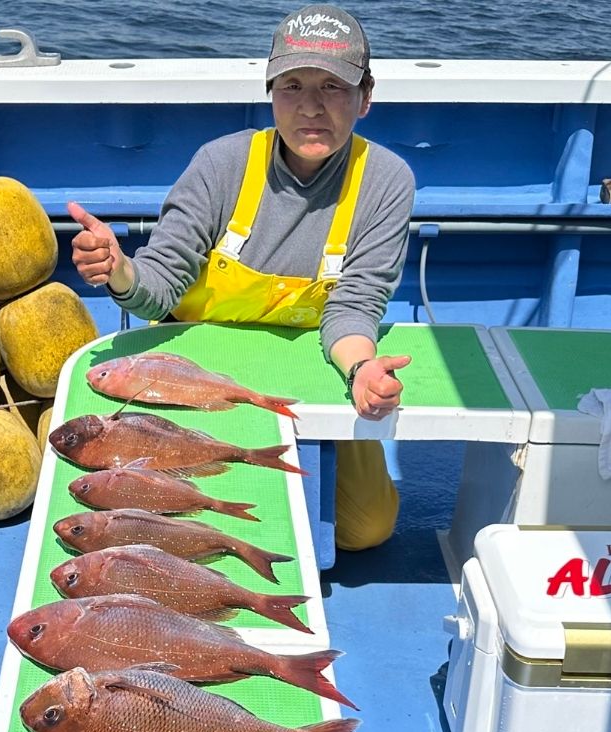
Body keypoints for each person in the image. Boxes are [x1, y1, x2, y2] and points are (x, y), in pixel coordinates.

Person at [68, 5, 415, 551]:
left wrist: (363, 368)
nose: (311, 106)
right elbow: (161, 282)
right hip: (186, 376)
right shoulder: (221, 163)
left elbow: (355, 304)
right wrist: (120, 270)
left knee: (365, 526)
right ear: (271, 91)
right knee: (162, 515)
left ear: (365, 97)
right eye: (293, 85)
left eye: (332, 86)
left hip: (314, 371)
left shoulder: (387, 180)